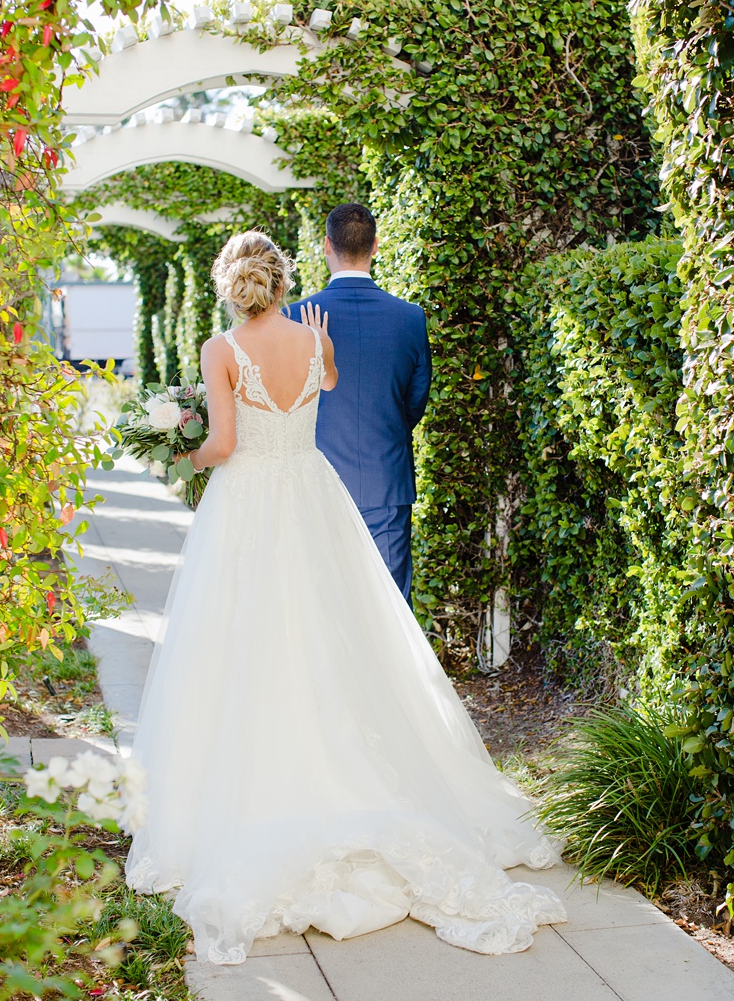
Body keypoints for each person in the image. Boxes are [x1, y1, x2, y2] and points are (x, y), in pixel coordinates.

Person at [125, 229, 565, 966]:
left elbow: (226, 445)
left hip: (247, 504)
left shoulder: (220, 347)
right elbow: (324, 388)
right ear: (280, 277)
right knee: (330, 632)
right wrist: (318, 354)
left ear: (229, 284)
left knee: (241, 637)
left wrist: (181, 449)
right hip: (311, 495)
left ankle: (241, 780)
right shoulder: (312, 336)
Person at [287, 203, 430, 604]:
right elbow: (416, 400)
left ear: (326, 246)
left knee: (321, 602)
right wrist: (385, 431)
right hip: (387, 482)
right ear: (376, 246)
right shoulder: (410, 317)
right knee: (390, 609)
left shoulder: (294, 316)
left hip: (316, 480)